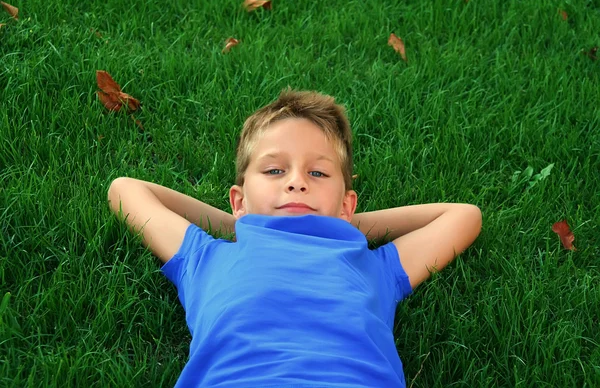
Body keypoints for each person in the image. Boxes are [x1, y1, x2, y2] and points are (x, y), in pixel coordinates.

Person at [107, 89, 482, 388]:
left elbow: (463, 216)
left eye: (318, 174)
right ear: (238, 200)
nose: (297, 181)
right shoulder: (208, 258)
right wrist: (246, 223)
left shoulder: (372, 266)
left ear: (346, 204)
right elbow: (126, 189)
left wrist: (337, 224)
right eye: (274, 169)